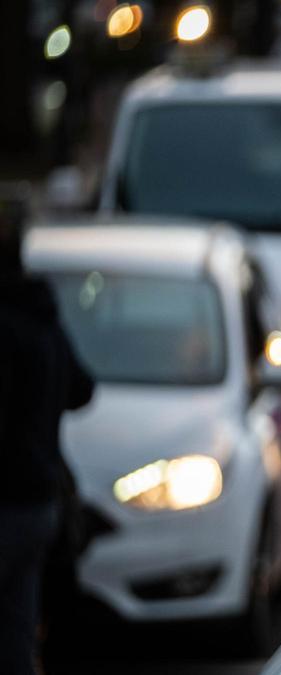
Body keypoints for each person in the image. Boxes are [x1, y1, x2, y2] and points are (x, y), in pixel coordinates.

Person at [0, 189, 94, 675]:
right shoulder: (42, 319)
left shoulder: (10, 327)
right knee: (18, 627)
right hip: (42, 501)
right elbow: (83, 389)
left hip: (11, 499)